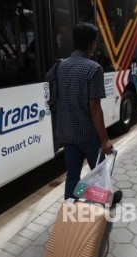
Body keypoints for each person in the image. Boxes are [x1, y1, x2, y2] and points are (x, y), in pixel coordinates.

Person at [46, 22, 122, 205]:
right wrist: (104, 140)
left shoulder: (58, 67)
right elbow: (95, 107)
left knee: (72, 174)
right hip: (88, 136)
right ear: (91, 44)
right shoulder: (94, 68)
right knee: (99, 171)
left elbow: (49, 82)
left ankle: (70, 211)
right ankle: (103, 204)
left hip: (67, 133)